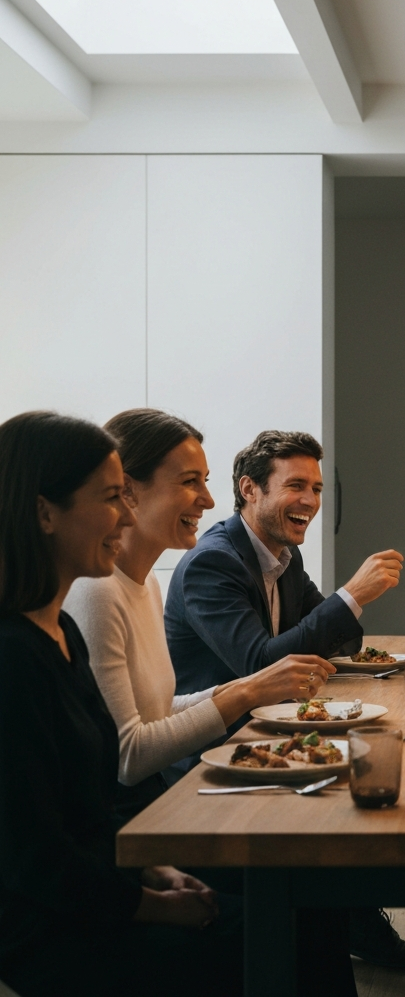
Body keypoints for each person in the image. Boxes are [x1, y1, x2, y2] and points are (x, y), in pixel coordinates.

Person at [163, 428, 405, 970]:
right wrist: (352, 595)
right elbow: (264, 665)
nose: (310, 500)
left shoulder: (282, 555)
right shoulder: (214, 564)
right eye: (296, 486)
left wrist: (339, 611)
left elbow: (340, 638)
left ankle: (350, 916)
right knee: (358, 776)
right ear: (249, 490)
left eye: (317, 487)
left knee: (368, 764)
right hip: (209, 754)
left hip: (270, 729)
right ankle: (338, 922)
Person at [0, 411, 243, 997]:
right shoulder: (13, 658)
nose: (129, 514)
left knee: (283, 921)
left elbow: (95, 804)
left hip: (95, 887)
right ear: (44, 512)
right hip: (44, 926)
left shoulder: (61, 632)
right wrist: (147, 903)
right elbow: (34, 858)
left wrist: (152, 869)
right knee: (258, 939)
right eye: (112, 497)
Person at [64, 409, 337, 820]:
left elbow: (156, 710)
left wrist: (248, 687)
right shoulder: (98, 592)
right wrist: (245, 692)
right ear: (128, 491)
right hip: (132, 814)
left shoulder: (146, 583)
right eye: (190, 482)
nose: (209, 500)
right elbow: (128, 757)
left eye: (206, 482)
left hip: (152, 798)